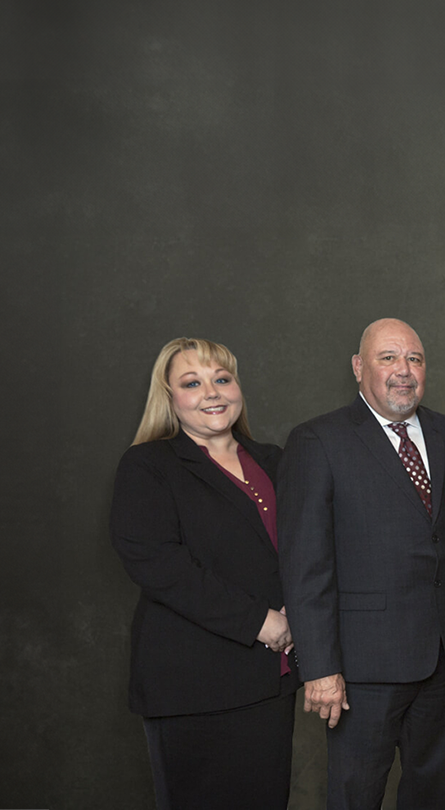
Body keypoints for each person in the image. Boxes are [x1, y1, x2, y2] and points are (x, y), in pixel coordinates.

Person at [277, 318, 445, 810]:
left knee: (433, 794)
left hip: (444, 657)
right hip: (362, 667)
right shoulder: (317, 441)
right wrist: (320, 667)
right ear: (359, 367)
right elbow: (305, 564)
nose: (403, 370)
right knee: (356, 795)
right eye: (388, 358)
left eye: (414, 359)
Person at [111, 337, 296, 810]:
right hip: (191, 684)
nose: (212, 392)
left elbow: (304, 552)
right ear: (170, 397)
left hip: (269, 680)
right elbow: (160, 567)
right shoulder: (149, 465)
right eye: (192, 383)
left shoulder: (274, 460)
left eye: (222, 379)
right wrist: (263, 622)